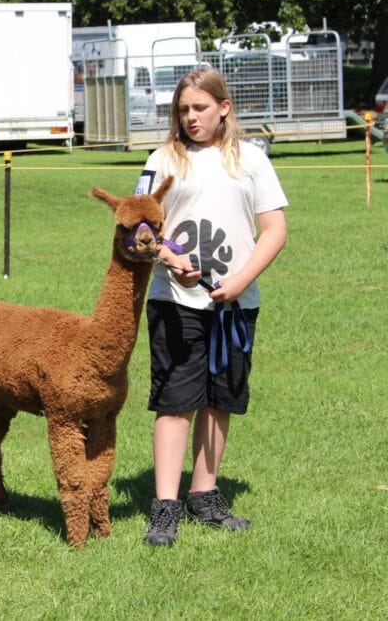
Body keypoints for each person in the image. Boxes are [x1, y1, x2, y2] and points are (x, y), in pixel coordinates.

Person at [134, 67, 287, 546]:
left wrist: (240, 282)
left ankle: (204, 494)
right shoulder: (163, 159)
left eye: (200, 108)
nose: (190, 118)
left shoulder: (252, 161)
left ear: (224, 107)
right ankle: (165, 507)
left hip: (234, 305)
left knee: (220, 401)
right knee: (177, 402)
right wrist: (170, 258)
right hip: (175, 301)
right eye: (183, 110)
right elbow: (137, 228)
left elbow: (274, 229)